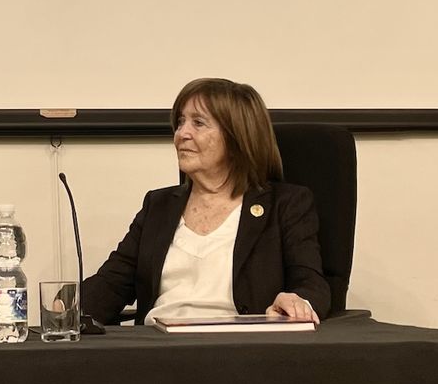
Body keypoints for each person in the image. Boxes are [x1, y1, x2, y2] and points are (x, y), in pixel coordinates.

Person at [81, 77, 329, 325]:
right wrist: (67, 305)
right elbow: (110, 285)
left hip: (239, 343)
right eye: (180, 122)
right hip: (159, 342)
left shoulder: (285, 204)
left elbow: (311, 283)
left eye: (198, 123)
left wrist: (296, 303)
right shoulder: (158, 205)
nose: (181, 134)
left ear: (236, 138)